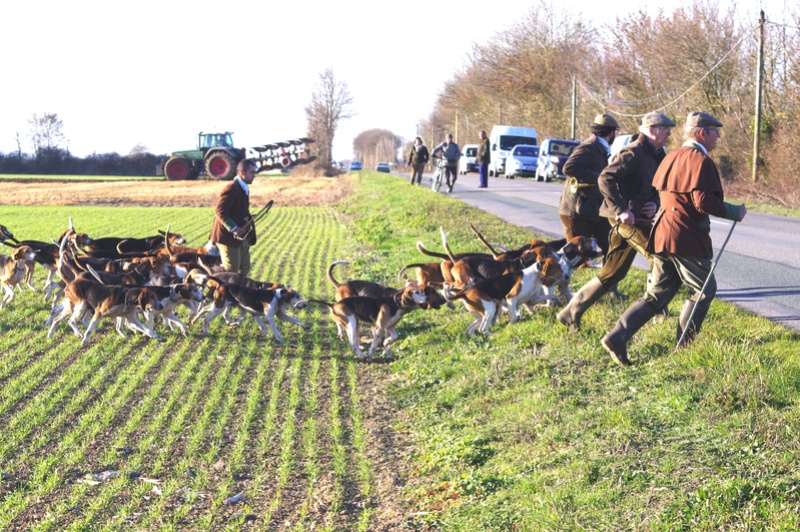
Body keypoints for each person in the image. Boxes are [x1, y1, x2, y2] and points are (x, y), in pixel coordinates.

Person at [601, 111, 747, 366]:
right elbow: (702, 201)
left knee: (656, 294)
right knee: (704, 290)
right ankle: (683, 350)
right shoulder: (700, 161)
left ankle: (617, 336)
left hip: (662, 234)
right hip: (686, 238)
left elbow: (662, 191)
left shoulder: (671, 156)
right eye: (715, 131)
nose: (718, 136)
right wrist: (734, 211)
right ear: (702, 133)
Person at [557, 112, 676, 333]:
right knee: (660, 256)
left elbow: (658, 188)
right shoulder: (633, 152)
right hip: (625, 218)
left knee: (614, 271)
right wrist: (621, 209)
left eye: (670, 129)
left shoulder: (659, 155)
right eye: (664, 128)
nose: (669, 133)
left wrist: (654, 203)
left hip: (639, 216)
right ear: (650, 130)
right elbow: (605, 178)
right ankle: (659, 313)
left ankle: (570, 312)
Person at [558, 113, 620, 254]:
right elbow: (568, 168)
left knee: (608, 244)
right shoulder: (589, 146)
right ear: (611, 133)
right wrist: (598, 177)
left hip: (589, 208)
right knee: (575, 254)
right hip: (576, 210)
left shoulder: (598, 147)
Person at [209, 158, 257, 276]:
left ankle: (241, 293)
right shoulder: (232, 187)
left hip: (241, 236)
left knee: (245, 268)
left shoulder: (242, 187)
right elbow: (220, 211)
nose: (254, 176)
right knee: (231, 271)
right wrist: (234, 228)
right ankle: (215, 289)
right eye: (251, 173)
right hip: (227, 237)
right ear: (241, 172)